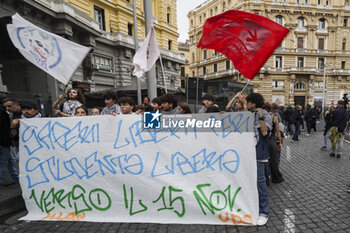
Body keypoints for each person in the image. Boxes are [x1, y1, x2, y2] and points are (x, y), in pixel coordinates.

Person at [245, 93, 272, 226]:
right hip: (247, 154)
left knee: (260, 183)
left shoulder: (265, 114)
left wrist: (261, 116)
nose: (246, 105)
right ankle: (252, 208)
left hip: (258, 155)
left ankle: (263, 212)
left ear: (253, 103)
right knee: (249, 182)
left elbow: (265, 132)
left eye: (248, 102)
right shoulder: (247, 113)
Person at [0, 100, 19, 187]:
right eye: (6, 107)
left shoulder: (6, 114)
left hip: (7, 142)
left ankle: (15, 177)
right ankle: (1, 181)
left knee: (10, 161)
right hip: (4, 143)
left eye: (9, 106)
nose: (8, 108)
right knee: (4, 162)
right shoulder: (3, 114)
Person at [264, 102, 284, 184]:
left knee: (264, 161)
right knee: (273, 160)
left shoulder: (260, 117)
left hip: (263, 141)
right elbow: (278, 132)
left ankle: (266, 179)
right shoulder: (273, 118)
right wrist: (280, 142)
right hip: (271, 141)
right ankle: (275, 178)